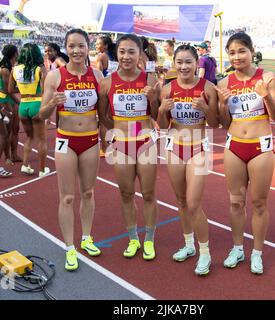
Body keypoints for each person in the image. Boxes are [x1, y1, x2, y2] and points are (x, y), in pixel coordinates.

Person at [216, 32, 275, 275]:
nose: (237, 57)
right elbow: (223, 122)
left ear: (252, 50)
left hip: (260, 147)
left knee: (258, 202)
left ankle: (257, 252)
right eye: (232, 52)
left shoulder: (267, 78)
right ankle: (237, 248)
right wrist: (223, 105)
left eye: (241, 51)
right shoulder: (223, 84)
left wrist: (266, 96)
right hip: (234, 144)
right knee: (235, 201)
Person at [39, 28, 104, 271]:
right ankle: (69, 247)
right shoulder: (55, 77)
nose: (76, 51)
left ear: (88, 48)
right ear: (66, 48)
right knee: (67, 196)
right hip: (66, 140)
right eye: (71, 46)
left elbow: (104, 113)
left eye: (81, 46)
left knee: (88, 192)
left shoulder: (97, 76)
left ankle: (86, 238)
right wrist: (51, 104)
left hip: (90, 140)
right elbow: (42, 115)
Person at [157, 44, 218, 275]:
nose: (183, 67)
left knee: (194, 203)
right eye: (179, 62)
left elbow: (215, 124)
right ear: (174, 63)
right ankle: (188, 244)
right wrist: (162, 110)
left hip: (198, 147)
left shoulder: (208, 88)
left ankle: (205, 253)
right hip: (174, 146)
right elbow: (162, 126)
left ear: (196, 63)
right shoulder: (167, 89)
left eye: (188, 62)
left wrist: (205, 107)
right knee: (181, 201)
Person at [98, 34, 160, 261]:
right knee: (126, 193)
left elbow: (158, 117)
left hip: (145, 143)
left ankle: (150, 239)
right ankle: (133, 238)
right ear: (117, 53)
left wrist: (153, 99)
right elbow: (102, 116)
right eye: (122, 51)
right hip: (122, 145)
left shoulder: (151, 80)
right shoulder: (107, 82)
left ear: (140, 54)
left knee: (148, 193)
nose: (126, 56)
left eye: (131, 51)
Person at [8, 43, 50, 177]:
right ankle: (43, 170)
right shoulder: (40, 68)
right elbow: (46, 90)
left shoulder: (15, 69)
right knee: (42, 140)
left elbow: (10, 90)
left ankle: (25, 165)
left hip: (23, 106)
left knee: (29, 137)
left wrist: (23, 91)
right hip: (37, 104)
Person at [95, 35, 117, 158]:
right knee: (114, 118)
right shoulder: (116, 56)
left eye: (99, 44)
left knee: (103, 120)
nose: (97, 46)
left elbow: (99, 76)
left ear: (106, 45)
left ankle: (104, 148)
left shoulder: (101, 56)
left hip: (105, 90)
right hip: (117, 89)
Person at [0, 44, 21, 164]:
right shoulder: (4, 69)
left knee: (16, 128)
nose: (18, 54)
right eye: (17, 52)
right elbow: (9, 89)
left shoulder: (11, 67)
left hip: (10, 100)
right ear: (14, 54)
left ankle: (14, 154)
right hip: (5, 100)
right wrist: (26, 90)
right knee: (7, 131)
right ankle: (8, 157)